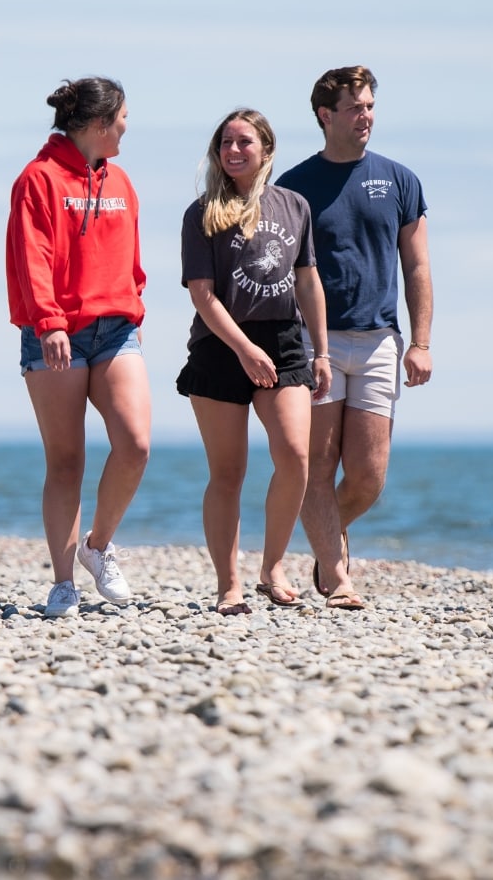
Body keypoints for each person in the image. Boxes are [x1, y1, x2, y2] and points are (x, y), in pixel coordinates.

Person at [276, 66, 433, 609]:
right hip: (313, 343)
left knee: (368, 474)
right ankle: (339, 578)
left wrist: (422, 341)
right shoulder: (292, 187)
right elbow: (281, 271)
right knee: (316, 465)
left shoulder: (399, 180)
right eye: (355, 108)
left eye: (370, 106)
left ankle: (326, 541)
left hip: (379, 341)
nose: (365, 116)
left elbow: (417, 267)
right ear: (326, 116)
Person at [6, 77, 151, 618]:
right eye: (122, 118)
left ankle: (98, 545)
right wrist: (49, 322)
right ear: (98, 124)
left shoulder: (122, 181)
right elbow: (32, 256)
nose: (126, 127)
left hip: (115, 328)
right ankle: (63, 582)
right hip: (55, 332)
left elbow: (132, 258)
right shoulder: (37, 179)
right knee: (66, 462)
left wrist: (134, 306)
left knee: (134, 444)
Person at [177, 109, 332, 615]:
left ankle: (272, 567)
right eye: (225, 142)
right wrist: (244, 349)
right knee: (229, 472)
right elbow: (203, 295)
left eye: (244, 141)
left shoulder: (295, 206)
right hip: (222, 343)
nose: (233, 151)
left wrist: (321, 351)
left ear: (266, 148)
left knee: (295, 456)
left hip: (284, 340)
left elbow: (308, 282)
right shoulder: (202, 213)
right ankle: (229, 584)